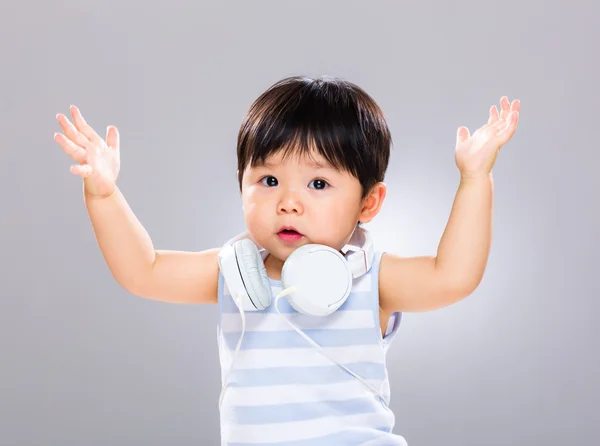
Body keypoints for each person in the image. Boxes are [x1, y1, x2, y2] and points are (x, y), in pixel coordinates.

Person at [53, 75, 520, 445]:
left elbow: (454, 276)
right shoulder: (235, 273)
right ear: (241, 184)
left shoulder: (373, 280)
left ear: (368, 204)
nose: (289, 203)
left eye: (318, 184)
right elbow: (143, 271)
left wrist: (475, 179)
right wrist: (104, 193)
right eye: (269, 180)